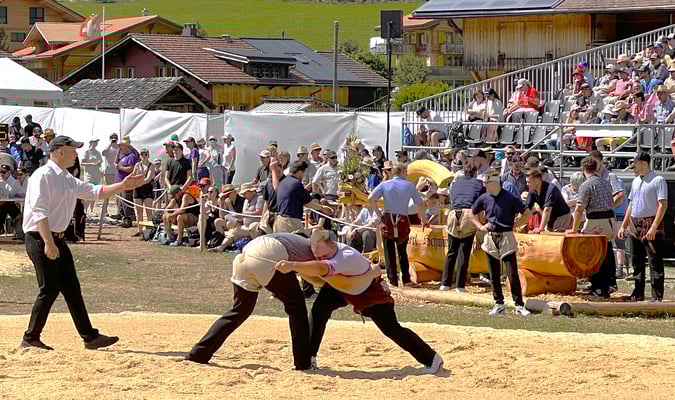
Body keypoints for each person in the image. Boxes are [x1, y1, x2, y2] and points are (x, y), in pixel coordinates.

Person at [21, 135, 144, 350]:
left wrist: (122, 185)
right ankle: (30, 338)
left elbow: (95, 192)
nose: (76, 155)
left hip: (56, 238)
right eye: (72, 151)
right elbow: (39, 211)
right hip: (40, 237)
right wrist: (48, 243)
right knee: (49, 288)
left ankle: (89, 336)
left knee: (71, 288)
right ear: (60, 152)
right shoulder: (43, 176)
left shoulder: (66, 178)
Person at [187, 232, 379, 368]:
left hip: (243, 257)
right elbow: (320, 275)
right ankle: (302, 363)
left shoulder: (296, 242)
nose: (321, 256)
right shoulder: (312, 252)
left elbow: (314, 278)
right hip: (268, 256)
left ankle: (199, 353)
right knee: (296, 307)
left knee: (239, 310)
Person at [276, 230, 444, 375]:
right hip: (341, 286)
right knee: (319, 311)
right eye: (317, 256)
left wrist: (293, 265)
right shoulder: (326, 254)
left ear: (333, 245)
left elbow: (322, 269)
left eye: (324, 256)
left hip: (369, 291)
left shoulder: (345, 257)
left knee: (391, 328)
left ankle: (431, 358)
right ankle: (307, 359)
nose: (320, 258)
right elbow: (324, 272)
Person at [470, 168, 531, 316]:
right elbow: (471, 213)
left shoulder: (509, 197)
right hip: (490, 236)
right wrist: (480, 226)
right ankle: (499, 303)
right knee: (493, 273)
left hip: (506, 236)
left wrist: (514, 226)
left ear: (495, 182)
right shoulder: (484, 197)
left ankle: (519, 305)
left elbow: (527, 213)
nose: (485, 185)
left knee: (512, 273)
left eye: (487, 182)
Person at [369, 163, 430, 287]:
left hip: (388, 218)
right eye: (405, 171)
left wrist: (379, 214)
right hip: (402, 219)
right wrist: (423, 219)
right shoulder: (409, 186)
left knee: (389, 252)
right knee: (402, 251)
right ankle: (406, 280)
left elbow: (371, 198)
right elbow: (420, 203)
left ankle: (393, 280)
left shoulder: (385, 184)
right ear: (401, 172)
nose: (407, 173)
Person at [617, 152, 667, 302]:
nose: (633, 166)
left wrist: (654, 227)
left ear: (644, 163)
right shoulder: (635, 181)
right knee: (636, 261)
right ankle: (638, 293)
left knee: (654, 261)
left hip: (650, 223)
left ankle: (657, 296)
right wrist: (624, 225)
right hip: (634, 224)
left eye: (636, 163)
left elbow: (663, 205)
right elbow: (631, 204)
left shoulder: (658, 180)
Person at [566, 156, 617, 298]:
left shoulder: (586, 185)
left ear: (583, 169)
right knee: (607, 253)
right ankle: (608, 285)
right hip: (610, 221)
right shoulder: (606, 182)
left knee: (594, 256)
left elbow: (579, 208)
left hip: (596, 221)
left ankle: (598, 288)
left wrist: (574, 229)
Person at [441, 163, 484, 292]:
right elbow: (481, 204)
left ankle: (445, 284)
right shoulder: (479, 184)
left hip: (453, 213)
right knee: (464, 253)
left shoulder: (455, 183)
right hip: (468, 214)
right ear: (475, 173)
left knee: (451, 251)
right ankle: (460, 286)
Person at [273, 160, 332, 234]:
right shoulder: (296, 183)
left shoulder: (283, 182)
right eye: (304, 173)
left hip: (278, 222)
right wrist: (323, 208)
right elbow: (309, 204)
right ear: (300, 172)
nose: (304, 176)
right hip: (290, 222)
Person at [524, 168, 572, 233]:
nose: (527, 184)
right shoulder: (532, 191)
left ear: (536, 180)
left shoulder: (551, 188)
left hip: (561, 217)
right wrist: (518, 224)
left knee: (555, 237)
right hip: (550, 218)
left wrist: (541, 227)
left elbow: (547, 209)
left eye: (528, 182)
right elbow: (525, 210)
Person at [114, 136, 139, 229]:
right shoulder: (122, 156)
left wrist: (120, 167)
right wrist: (118, 152)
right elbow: (115, 163)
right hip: (119, 182)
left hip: (126, 183)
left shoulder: (131, 156)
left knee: (126, 201)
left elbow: (131, 169)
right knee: (121, 202)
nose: (120, 147)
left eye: (121, 146)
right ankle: (123, 218)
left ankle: (129, 219)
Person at [131, 149, 156, 238]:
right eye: (142, 154)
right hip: (137, 190)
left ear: (148, 155)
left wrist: (138, 183)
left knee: (148, 212)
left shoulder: (151, 165)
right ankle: (140, 231)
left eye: (145, 154)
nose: (144, 156)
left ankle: (149, 231)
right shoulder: (137, 165)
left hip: (147, 189)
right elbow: (133, 175)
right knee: (139, 212)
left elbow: (148, 178)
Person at [80, 138, 103, 215]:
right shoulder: (86, 152)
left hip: (96, 174)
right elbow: (82, 163)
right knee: (88, 193)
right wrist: (91, 164)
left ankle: (92, 210)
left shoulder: (98, 152)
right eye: (95, 141)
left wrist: (98, 164)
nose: (96, 143)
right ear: (91, 142)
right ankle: (85, 210)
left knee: (95, 193)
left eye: (97, 142)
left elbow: (100, 164)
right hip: (89, 175)